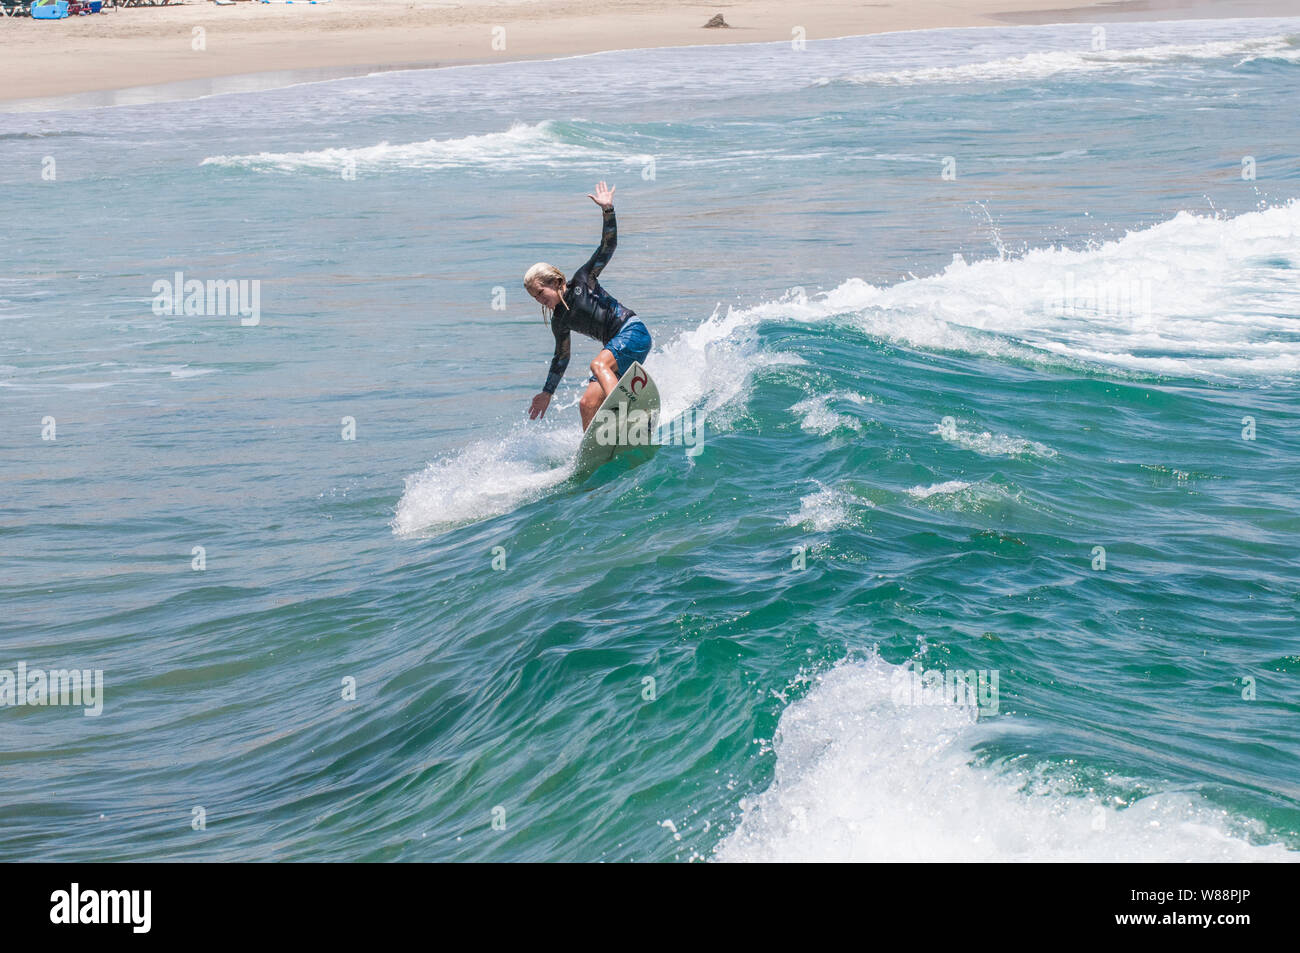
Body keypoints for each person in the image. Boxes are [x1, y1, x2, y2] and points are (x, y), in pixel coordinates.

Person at [524, 181, 652, 431]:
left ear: (557, 281)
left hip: (633, 333)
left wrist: (608, 210)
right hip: (616, 350)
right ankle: (593, 450)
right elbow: (561, 358)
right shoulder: (559, 321)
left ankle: (629, 410)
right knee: (587, 403)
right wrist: (547, 393)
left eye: (541, 292)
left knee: (597, 364)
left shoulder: (584, 280)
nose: (540, 300)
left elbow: (608, 246)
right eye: (535, 298)